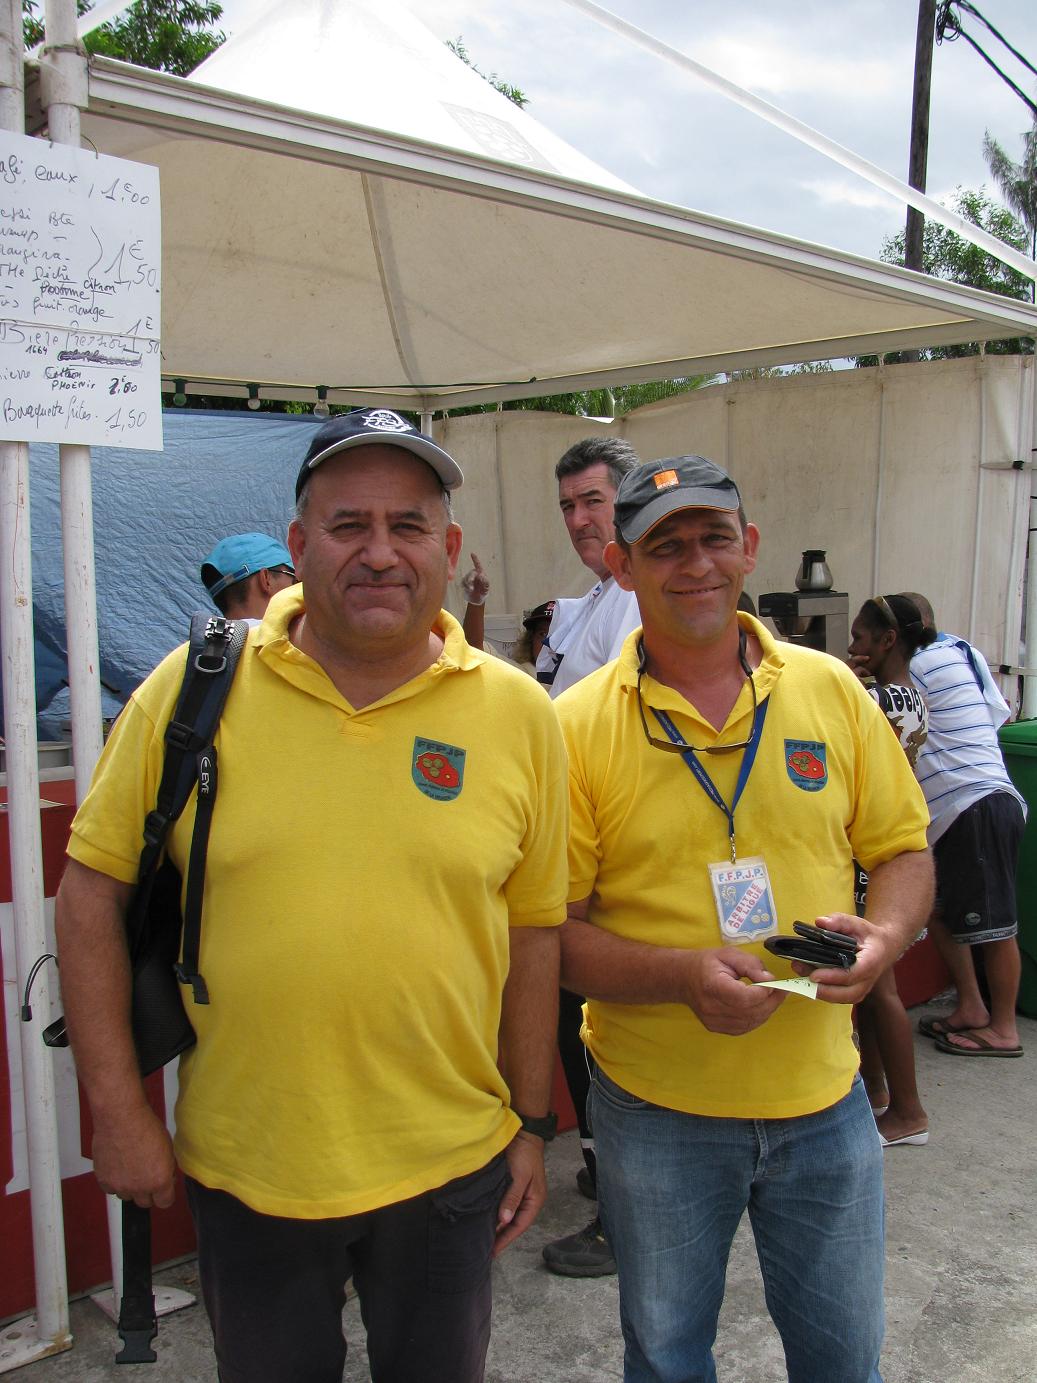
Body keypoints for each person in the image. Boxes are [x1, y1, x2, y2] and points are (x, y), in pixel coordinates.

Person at [54, 407, 569, 1383]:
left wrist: (533, 1126)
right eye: (347, 525)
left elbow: (534, 932)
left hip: (449, 1165)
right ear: (297, 544)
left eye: (407, 525)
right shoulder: (197, 683)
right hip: (252, 1167)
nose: (378, 553)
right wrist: (118, 1110)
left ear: (448, 548)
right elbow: (88, 897)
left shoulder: (518, 714)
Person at [556, 454, 933, 1382]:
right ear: (622, 566)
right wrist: (678, 976)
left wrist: (885, 938)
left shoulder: (831, 689)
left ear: (748, 546)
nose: (695, 564)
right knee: (668, 1360)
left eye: (713, 538)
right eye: (664, 547)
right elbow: (551, 934)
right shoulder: (573, 727)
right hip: (656, 1112)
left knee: (843, 1361)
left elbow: (902, 851)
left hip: (825, 1101)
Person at [537, 436, 641, 1279]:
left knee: (598, 1032)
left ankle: (622, 1211)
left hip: (606, 862)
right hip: (571, 850)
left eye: (593, 501)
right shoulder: (598, 594)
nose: (578, 518)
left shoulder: (634, 597)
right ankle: (608, 1174)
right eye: (568, 504)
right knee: (576, 1025)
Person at [905, 592, 1026, 1058]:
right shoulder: (964, 652)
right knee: (936, 910)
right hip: (960, 810)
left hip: (973, 803)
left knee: (995, 926)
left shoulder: (922, 664)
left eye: (866, 637)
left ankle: (1004, 1029)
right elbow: (998, 713)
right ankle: (972, 1007)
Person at [848, 594, 934, 1147]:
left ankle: (908, 1112)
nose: (852, 646)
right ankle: (876, 1091)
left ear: (887, 641)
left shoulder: (872, 698)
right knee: (875, 992)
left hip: (868, 858)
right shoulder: (914, 695)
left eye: (860, 637)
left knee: (881, 990)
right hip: (893, 844)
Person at [200, 531, 297, 622]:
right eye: (295, 581)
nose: (300, 589)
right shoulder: (296, 633)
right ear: (266, 579)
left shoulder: (201, 634)